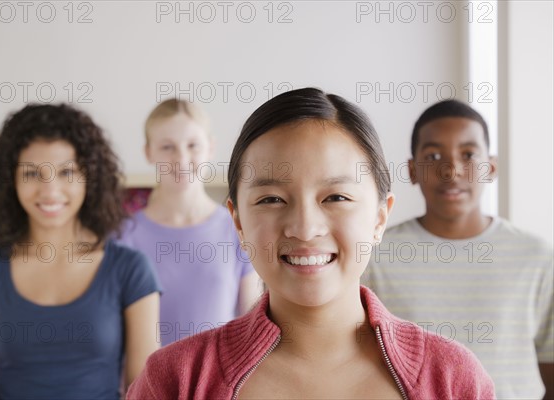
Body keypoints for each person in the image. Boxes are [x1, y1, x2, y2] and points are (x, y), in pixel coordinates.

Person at [127, 88, 495, 399]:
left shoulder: (452, 379)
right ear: (237, 220)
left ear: (380, 217)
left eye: (335, 197)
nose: (304, 228)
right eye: (271, 199)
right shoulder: (173, 380)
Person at [0, 103, 162, 399]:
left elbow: (145, 392)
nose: (50, 191)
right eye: (32, 174)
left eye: (66, 172)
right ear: (10, 180)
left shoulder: (131, 269)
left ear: (89, 178)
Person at [363, 99, 554, 399]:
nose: (451, 170)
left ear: (490, 167)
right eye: (434, 155)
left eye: (468, 154)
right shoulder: (374, 255)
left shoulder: (537, 257)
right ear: (412, 170)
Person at [118, 99, 261, 347]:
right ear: (148, 152)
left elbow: (251, 326)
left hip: (220, 382)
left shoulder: (239, 229)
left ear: (210, 148)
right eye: (167, 147)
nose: (181, 158)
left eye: (193, 145)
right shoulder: (124, 235)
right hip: (148, 383)